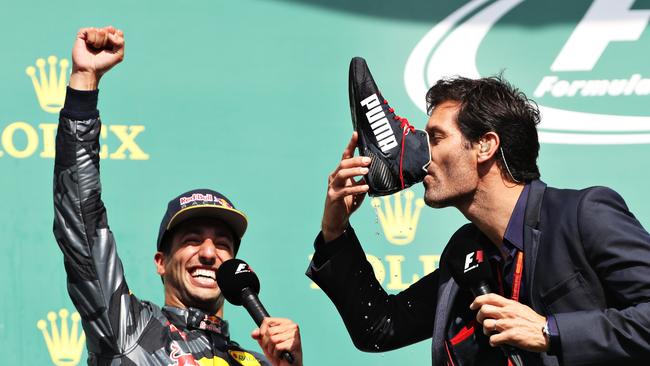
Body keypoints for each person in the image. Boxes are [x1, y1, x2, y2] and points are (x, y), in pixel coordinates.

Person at [307, 75, 650, 365]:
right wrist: (335, 231)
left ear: (485, 146)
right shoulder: (465, 252)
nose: (422, 156)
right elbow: (381, 326)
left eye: (436, 138)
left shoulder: (581, 214)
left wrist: (549, 330)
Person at [54, 26, 303, 366]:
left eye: (222, 244)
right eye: (192, 239)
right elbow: (81, 221)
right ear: (161, 262)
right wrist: (84, 83)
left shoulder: (259, 362)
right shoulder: (131, 330)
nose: (209, 253)